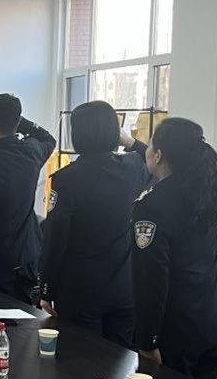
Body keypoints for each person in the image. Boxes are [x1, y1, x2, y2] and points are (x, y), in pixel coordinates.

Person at [39, 101, 152, 347]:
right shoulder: (133, 167)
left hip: (80, 289)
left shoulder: (67, 179)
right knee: (120, 360)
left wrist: (47, 289)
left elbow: (56, 238)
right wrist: (130, 141)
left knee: (82, 360)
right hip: (124, 288)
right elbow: (152, 160)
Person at [130, 117, 217, 379]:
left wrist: (147, 340)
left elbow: (151, 279)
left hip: (174, 331)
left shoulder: (152, 206)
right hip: (212, 321)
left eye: (150, 145)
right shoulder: (211, 193)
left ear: (159, 155)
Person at [0, 93, 57, 303]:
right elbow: (48, 139)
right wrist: (20, 121)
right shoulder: (31, 151)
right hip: (28, 253)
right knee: (24, 314)